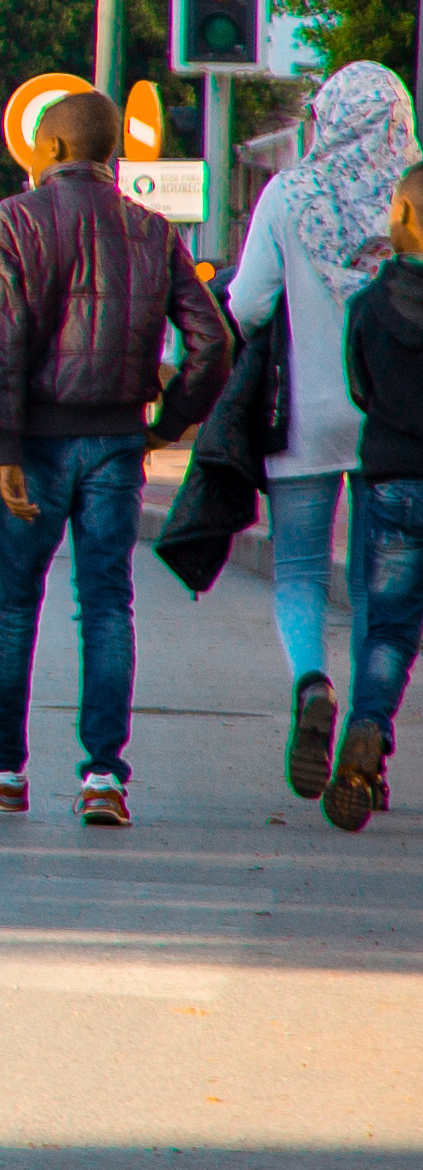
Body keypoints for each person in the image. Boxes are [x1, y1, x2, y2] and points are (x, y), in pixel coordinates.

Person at [0, 84, 235, 826]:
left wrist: (5, 444)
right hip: (118, 442)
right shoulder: (150, 229)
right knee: (107, 603)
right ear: (109, 153)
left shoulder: (15, 221)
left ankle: (7, 766)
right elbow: (214, 342)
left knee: (18, 599)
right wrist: (164, 424)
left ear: (50, 149)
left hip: (40, 443)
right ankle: (104, 778)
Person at [222, 64, 410, 800]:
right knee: (375, 587)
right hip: (391, 423)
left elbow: (247, 304)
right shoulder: (412, 198)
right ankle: (369, 744)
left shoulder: (289, 193)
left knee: (298, 569)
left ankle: (309, 684)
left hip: (302, 416)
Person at [323, 169, 423, 832]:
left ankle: (365, 729)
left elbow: (358, 386)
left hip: (390, 477)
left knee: (387, 624)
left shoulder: (367, 304)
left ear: (405, 218)